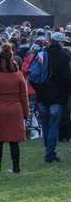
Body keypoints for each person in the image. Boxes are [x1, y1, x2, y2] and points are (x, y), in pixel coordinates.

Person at [0, 44, 28, 174]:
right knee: (14, 141)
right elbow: (24, 96)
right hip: (15, 108)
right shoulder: (18, 75)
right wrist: (25, 112)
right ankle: (16, 167)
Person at [32, 32, 71, 163]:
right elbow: (67, 78)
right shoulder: (63, 57)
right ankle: (49, 154)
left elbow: (33, 73)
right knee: (54, 126)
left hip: (42, 95)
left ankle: (49, 152)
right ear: (60, 42)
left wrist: (38, 89)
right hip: (57, 96)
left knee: (45, 125)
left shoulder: (41, 55)